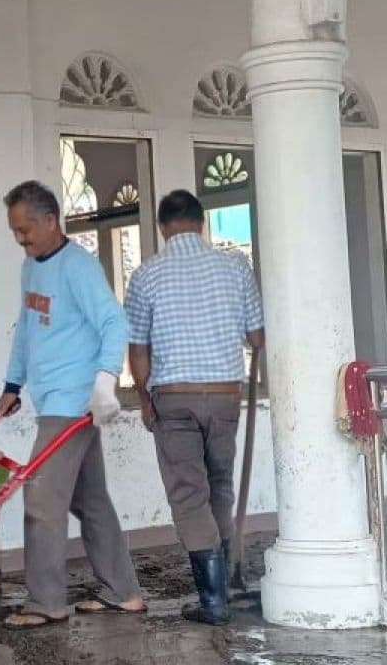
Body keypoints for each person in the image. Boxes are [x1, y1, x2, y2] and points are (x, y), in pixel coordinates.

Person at [0, 180, 145, 629]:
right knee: (91, 499)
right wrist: (12, 383)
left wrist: (105, 382)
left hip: (73, 402)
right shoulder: (32, 269)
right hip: (51, 398)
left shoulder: (78, 267)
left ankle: (45, 602)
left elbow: (113, 321)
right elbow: (26, 327)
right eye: (14, 231)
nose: (20, 238)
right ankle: (123, 592)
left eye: (25, 229)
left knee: (41, 498)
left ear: (49, 221)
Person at [124, 189, 264, 625]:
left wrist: (145, 397)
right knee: (219, 486)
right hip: (224, 396)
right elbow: (258, 339)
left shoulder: (147, 274)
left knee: (189, 494)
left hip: (175, 397)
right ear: (201, 223)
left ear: (164, 228)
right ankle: (224, 584)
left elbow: (139, 348)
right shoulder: (234, 266)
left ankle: (213, 600)